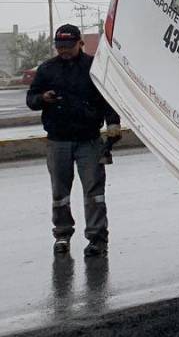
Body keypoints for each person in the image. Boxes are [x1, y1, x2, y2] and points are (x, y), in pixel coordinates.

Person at [26, 24, 121, 257]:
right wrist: (42, 98)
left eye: (69, 46)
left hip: (89, 140)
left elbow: (107, 98)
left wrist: (113, 124)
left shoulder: (93, 67)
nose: (64, 51)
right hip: (58, 141)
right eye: (60, 47)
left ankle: (97, 239)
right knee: (60, 194)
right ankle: (62, 235)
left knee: (94, 193)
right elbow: (31, 99)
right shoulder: (47, 70)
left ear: (80, 43)